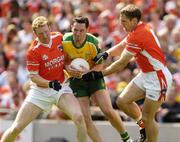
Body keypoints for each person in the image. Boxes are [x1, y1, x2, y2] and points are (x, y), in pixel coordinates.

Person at [82, 4, 172, 142]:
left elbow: (121, 63)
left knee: (148, 118)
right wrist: (106, 53)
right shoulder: (138, 28)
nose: (121, 24)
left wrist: (99, 74)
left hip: (158, 78)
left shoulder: (139, 35)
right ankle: (142, 126)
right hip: (146, 74)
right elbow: (123, 44)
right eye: (120, 20)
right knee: (122, 101)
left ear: (134, 21)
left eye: (124, 21)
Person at [1, 16, 88, 142]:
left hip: (61, 87)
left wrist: (69, 68)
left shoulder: (59, 38)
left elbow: (65, 60)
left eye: (46, 32)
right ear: (35, 34)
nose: (45, 36)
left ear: (50, 28)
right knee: (16, 128)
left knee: (79, 118)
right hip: (40, 91)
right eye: (41, 34)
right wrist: (50, 84)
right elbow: (34, 77)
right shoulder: (33, 51)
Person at [62, 16, 133, 142]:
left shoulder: (93, 42)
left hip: (93, 79)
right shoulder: (65, 41)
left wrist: (90, 72)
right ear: (71, 29)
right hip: (76, 82)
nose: (78, 34)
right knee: (85, 119)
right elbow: (63, 61)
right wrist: (68, 68)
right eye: (75, 30)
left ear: (87, 30)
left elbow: (100, 64)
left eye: (81, 31)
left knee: (108, 111)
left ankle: (126, 138)